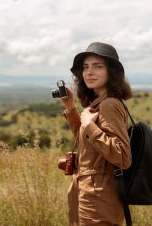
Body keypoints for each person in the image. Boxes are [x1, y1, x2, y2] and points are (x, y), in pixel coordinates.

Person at [60, 42, 133, 226]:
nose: (89, 72)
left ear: (112, 72)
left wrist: (89, 126)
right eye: (85, 67)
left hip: (99, 198)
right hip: (88, 193)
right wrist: (70, 107)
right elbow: (86, 140)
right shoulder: (98, 103)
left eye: (97, 66)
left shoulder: (109, 104)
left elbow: (123, 157)